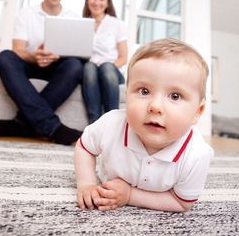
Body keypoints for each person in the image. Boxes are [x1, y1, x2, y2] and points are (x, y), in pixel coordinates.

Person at [74, 38, 214, 212]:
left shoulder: (196, 155)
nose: (155, 106)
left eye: (175, 96)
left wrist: (130, 196)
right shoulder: (112, 124)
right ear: (127, 95)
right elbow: (84, 147)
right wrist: (87, 183)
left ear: (197, 112)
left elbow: (181, 203)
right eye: (144, 91)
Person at [0, 0, 83, 145]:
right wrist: (35, 57)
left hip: (57, 66)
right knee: (4, 57)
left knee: (75, 65)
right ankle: (53, 128)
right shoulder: (26, 14)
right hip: (31, 64)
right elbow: (18, 49)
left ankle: (21, 125)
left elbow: (78, 52)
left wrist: (58, 55)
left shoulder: (73, 17)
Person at [81, 0, 128, 123]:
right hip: (90, 73)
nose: (97, 2)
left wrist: (106, 65)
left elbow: (123, 57)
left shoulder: (117, 24)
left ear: (107, 3)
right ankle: (94, 123)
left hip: (112, 73)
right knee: (89, 67)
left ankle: (111, 122)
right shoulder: (81, 24)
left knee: (106, 67)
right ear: (88, 0)